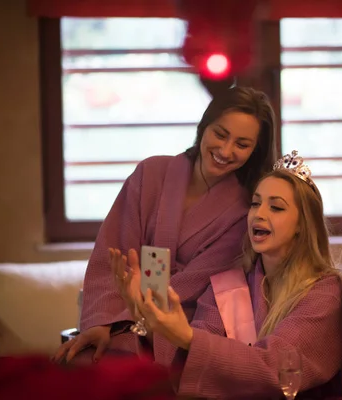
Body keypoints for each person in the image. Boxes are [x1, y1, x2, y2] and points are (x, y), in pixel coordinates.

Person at [53, 86, 277, 364]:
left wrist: (140, 305)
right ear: (204, 126)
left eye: (242, 144)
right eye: (220, 134)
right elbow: (112, 251)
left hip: (182, 326)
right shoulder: (151, 173)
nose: (225, 150)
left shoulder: (244, 210)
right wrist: (102, 321)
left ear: (255, 151)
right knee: (85, 363)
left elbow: (193, 283)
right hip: (119, 315)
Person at [129, 151, 342, 399]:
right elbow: (192, 364)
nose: (259, 213)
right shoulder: (226, 287)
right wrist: (150, 322)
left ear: (303, 224)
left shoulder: (325, 293)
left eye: (276, 207)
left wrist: (189, 338)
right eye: (256, 203)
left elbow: (279, 367)